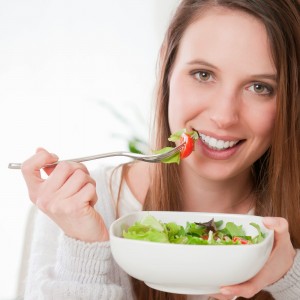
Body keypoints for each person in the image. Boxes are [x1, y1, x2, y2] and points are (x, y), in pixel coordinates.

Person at [20, 0, 300, 299]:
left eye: (260, 87)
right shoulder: (75, 206)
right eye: (203, 75)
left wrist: (289, 277)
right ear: (167, 73)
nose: (224, 116)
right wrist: (83, 251)